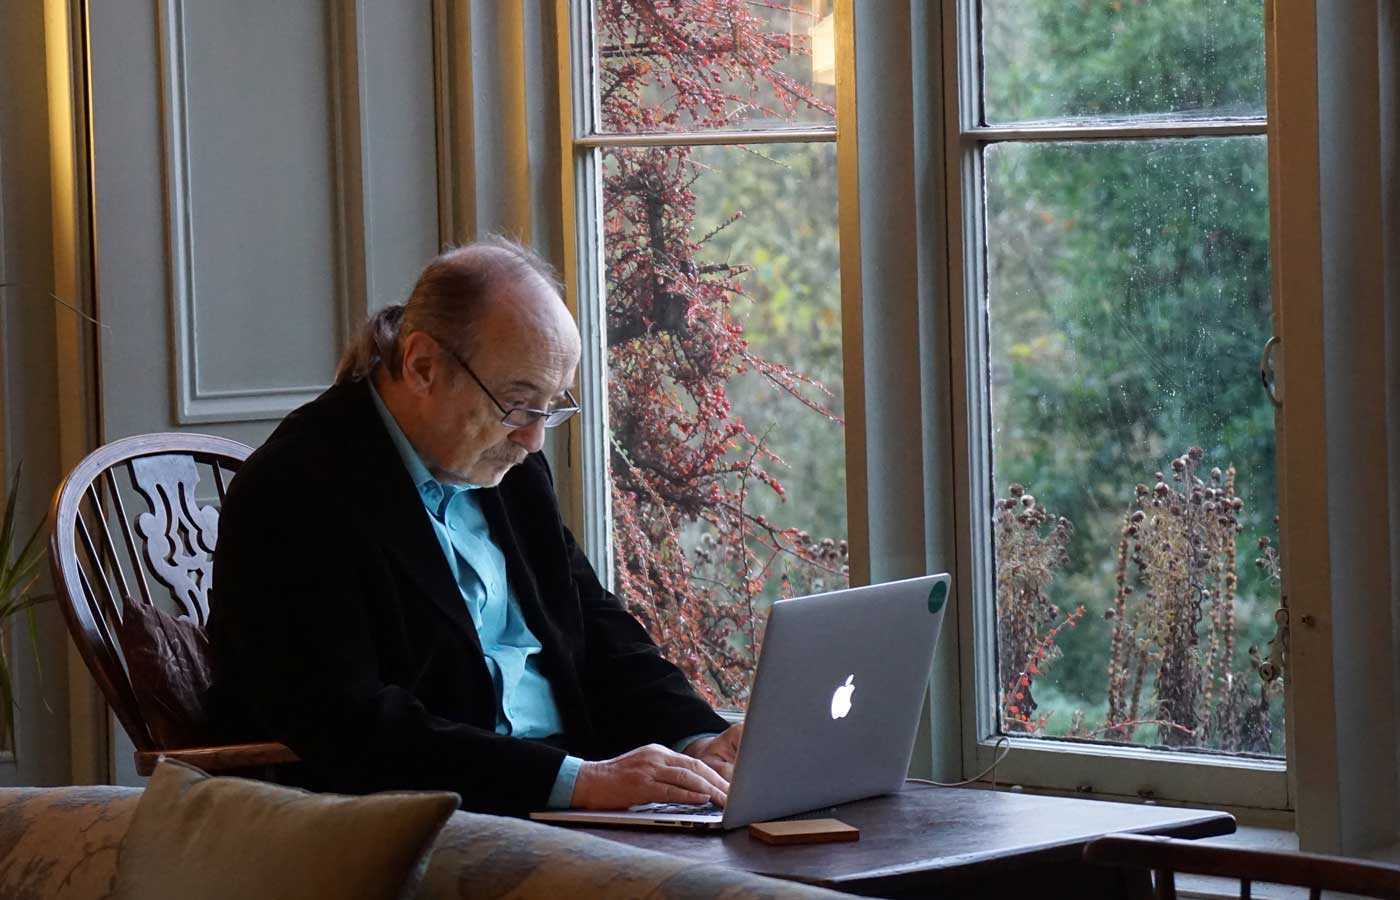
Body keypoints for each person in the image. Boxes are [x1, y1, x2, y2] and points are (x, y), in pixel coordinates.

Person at [206, 238, 743, 816]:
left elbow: (592, 625)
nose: (534, 438)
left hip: (569, 800)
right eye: (517, 404)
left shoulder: (509, 466)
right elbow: (351, 725)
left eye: (550, 407)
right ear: (422, 366)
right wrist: (577, 782)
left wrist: (699, 737)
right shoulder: (295, 491)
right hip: (430, 822)